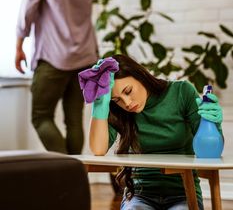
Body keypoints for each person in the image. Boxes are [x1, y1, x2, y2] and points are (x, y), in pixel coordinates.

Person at [79, 54, 223, 210]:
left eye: (128, 91)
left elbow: (211, 152)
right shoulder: (118, 111)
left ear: (140, 75)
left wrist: (212, 123)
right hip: (139, 195)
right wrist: (101, 105)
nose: (126, 103)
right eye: (117, 99)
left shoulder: (182, 92)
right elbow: (98, 149)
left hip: (183, 194)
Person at [15, 0, 108, 154]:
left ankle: (66, 170)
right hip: (85, 58)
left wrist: (19, 45)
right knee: (74, 120)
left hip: (52, 58)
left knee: (41, 116)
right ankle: (73, 174)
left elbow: (27, 10)